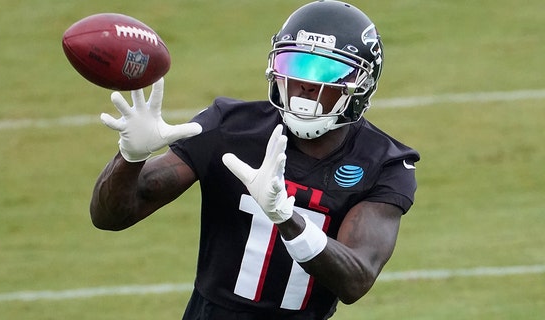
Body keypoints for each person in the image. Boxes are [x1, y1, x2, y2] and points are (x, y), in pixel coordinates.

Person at [89, 1, 420, 319]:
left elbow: (356, 279)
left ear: (360, 85)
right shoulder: (229, 126)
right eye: (294, 65)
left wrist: (286, 218)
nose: (305, 84)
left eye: (326, 71)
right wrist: (130, 157)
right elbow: (111, 217)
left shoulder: (386, 163)